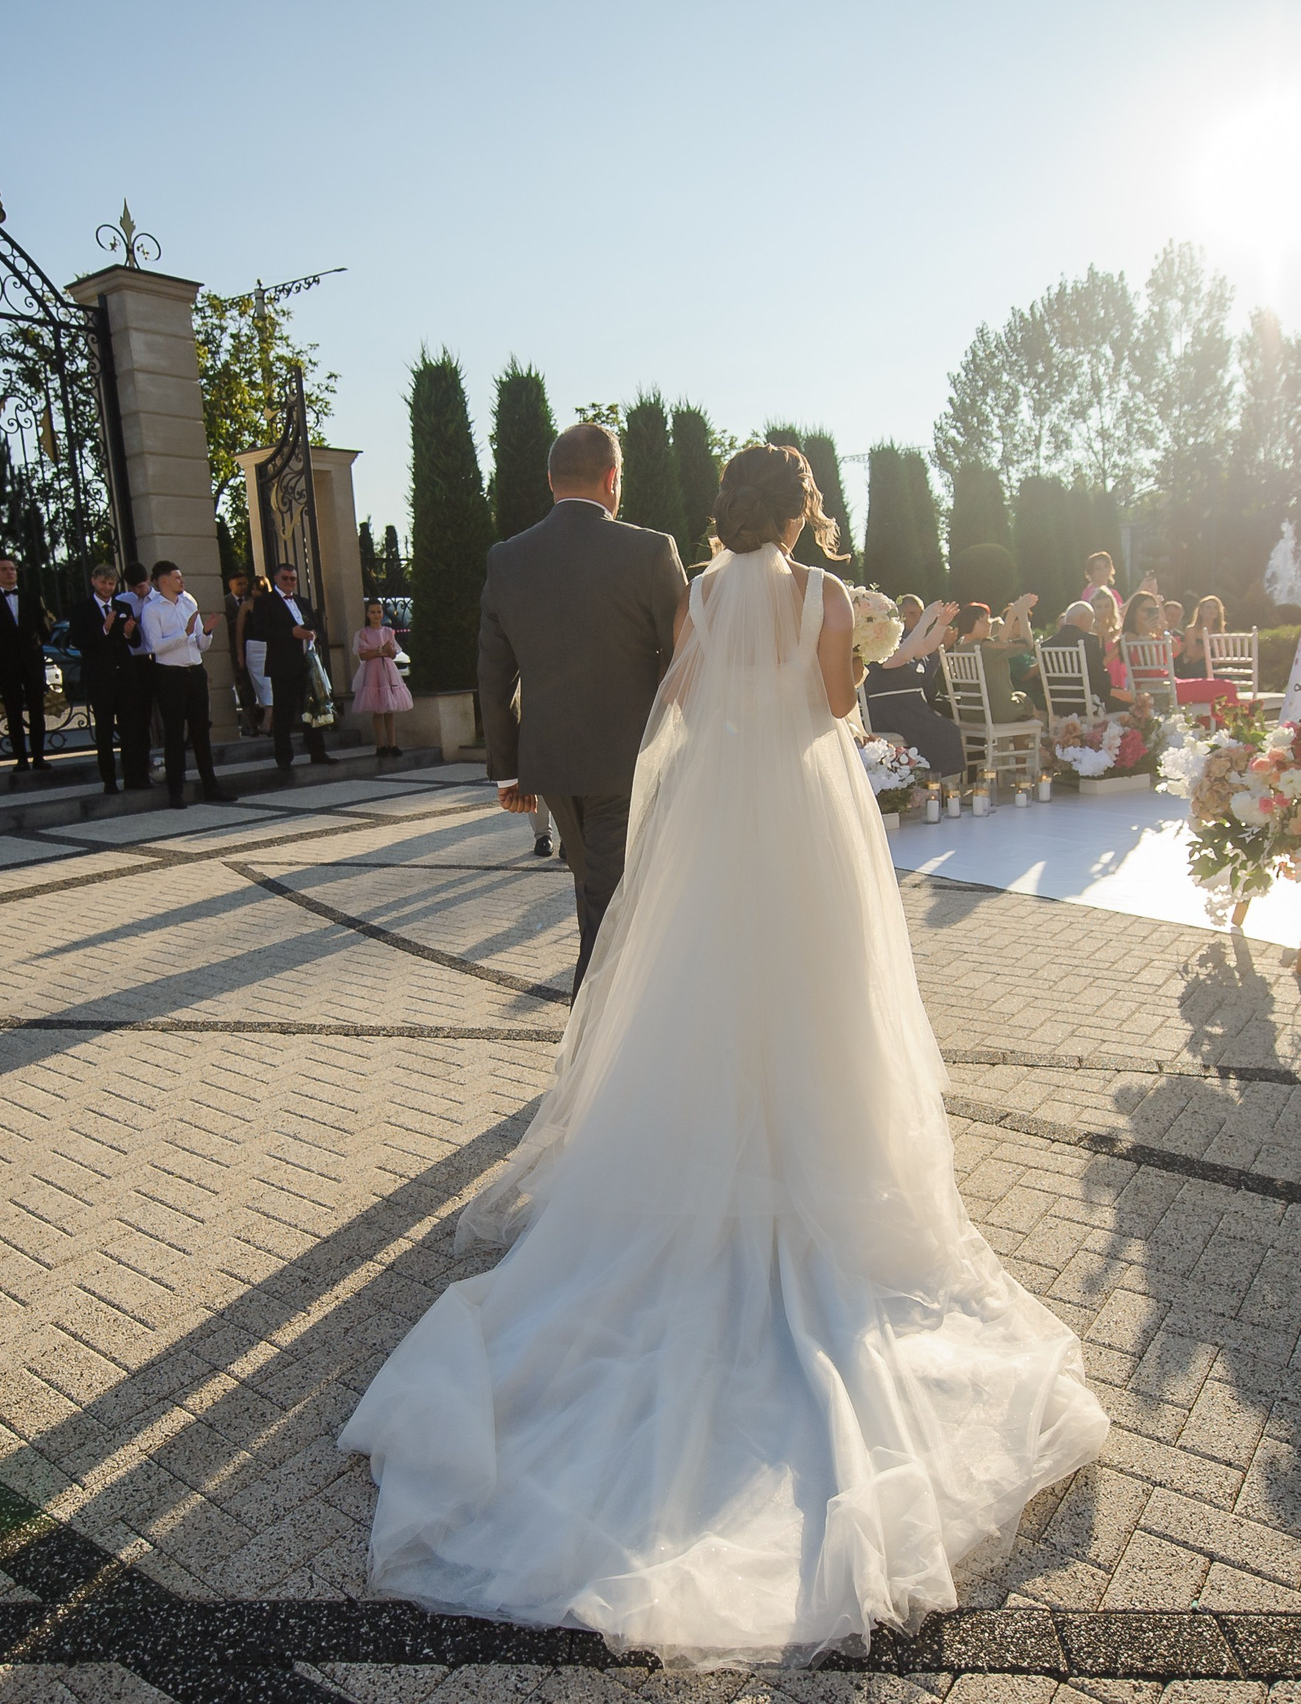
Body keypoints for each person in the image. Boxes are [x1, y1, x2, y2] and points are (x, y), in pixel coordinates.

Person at [339, 443, 1109, 1662]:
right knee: (819, 988)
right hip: (804, 809)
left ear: (725, 512)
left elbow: (684, 703)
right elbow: (838, 709)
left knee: (693, 986)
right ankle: (813, 1162)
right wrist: (857, 652)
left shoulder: (698, 591)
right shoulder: (821, 598)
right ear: (801, 511)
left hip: (719, 805)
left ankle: (695, 1158)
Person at [476, 420, 684, 985]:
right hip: (633, 762)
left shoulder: (507, 558)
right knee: (610, 903)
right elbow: (688, 658)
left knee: (596, 891)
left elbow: (493, 678)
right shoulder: (650, 550)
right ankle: (590, 1043)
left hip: (553, 767)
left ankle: (605, 1043)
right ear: (612, 478)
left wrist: (509, 771)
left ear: (550, 481)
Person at [138, 560, 225, 806]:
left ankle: (211, 786)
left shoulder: (189, 602)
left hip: (194, 671)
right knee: (174, 733)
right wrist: (183, 634)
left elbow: (200, 644)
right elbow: (155, 646)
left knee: (201, 731)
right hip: (170, 675)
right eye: (176, 577)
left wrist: (205, 632)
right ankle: (175, 791)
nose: (182, 581)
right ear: (163, 580)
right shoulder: (153, 610)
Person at [862, 596, 968, 779]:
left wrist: (940, 624)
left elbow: (924, 648)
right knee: (945, 731)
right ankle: (933, 784)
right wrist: (925, 621)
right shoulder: (873, 645)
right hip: (890, 707)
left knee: (948, 730)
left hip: (909, 706)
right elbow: (900, 658)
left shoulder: (903, 639)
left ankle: (939, 786)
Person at [250, 563, 334, 773]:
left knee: (312, 709)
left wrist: (313, 635)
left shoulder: (303, 602)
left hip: (307, 664)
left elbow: (318, 628)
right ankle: (284, 758)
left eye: (293, 579)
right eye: (285, 578)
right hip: (283, 665)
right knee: (284, 713)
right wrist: (291, 633)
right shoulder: (265, 602)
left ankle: (317, 752)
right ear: (276, 579)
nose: (289, 582)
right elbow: (260, 632)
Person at [0, 555, 49, 774]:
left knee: (37, 711)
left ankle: (39, 756)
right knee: (13, 712)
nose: (10, 572)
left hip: (32, 663)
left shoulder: (32, 598)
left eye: (13, 569)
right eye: (4, 569)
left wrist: (33, 644)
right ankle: (20, 759)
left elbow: (45, 628)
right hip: (7, 666)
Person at [67, 564, 134, 793]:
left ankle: (131, 776)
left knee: (128, 728)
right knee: (104, 729)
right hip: (99, 677)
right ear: (94, 581)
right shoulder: (81, 609)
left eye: (112, 583)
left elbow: (134, 641)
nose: (108, 587)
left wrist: (128, 632)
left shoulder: (123, 606)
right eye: (104, 583)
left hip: (123, 675)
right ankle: (109, 780)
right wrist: (103, 629)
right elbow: (77, 640)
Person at [351, 598, 412, 757]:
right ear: (368, 614)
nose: (376, 615)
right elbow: (363, 655)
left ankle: (393, 743)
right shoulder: (363, 633)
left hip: (388, 671)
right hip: (373, 672)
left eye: (379, 612)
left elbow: (393, 653)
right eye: (373, 612)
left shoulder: (387, 632)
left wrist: (386, 650)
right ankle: (380, 745)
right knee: (378, 710)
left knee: (390, 710)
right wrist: (379, 651)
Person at [116, 561, 156, 790]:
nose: (139, 592)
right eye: (134, 588)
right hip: (135, 661)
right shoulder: (124, 601)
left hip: (157, 658)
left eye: (141, 586)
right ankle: (136, 770)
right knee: (137, 718)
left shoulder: (160, 599)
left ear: (148, 580)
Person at [225, 567, 264, 736]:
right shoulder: (224, 602)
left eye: (245, 583)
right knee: (244, 687)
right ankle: (250, 724)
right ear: (231, 585)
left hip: (255, 649)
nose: (243, 587)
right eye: (239, 584)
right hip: (235, 651)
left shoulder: (252, 601)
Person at [1178, 594, 1227, 679]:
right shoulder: (1191, 630)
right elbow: (1190, 655)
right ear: (1200, 611)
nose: (1212, 610)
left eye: (1215, 607)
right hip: (1193, 667)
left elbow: (1220, 658)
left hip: (1213, 668)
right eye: (1208, 607)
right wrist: (1208, 647)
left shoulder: (1219, 632)